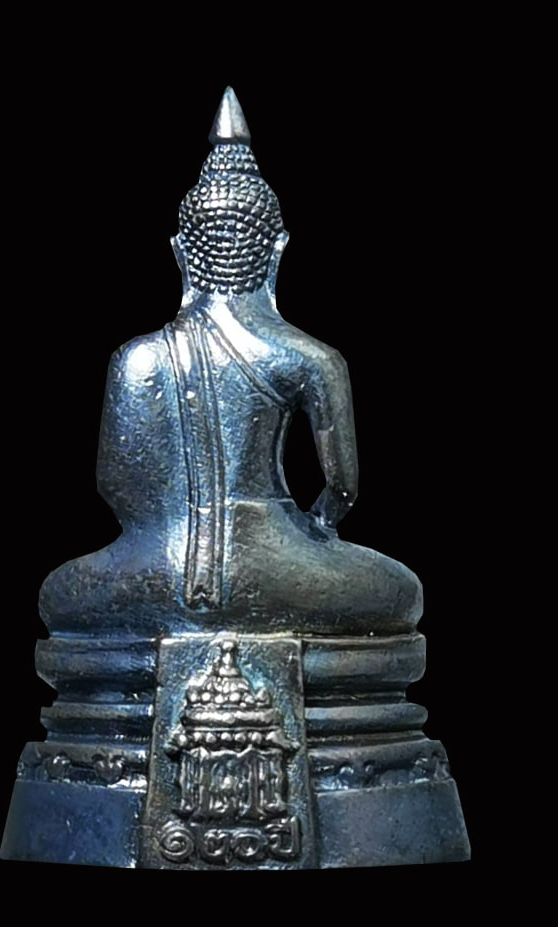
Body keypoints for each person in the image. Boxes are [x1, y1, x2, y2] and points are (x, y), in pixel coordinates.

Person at [40, 90, 422, 640]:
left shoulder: (137, 358)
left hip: (157, 570)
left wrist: (163, 537)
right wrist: (310, 534)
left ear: (181, 253)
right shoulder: (310, 356)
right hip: (281, 567)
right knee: (401, 592)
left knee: (61, 594)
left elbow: (115, 487)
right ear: (276, 251)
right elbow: (342, 490)